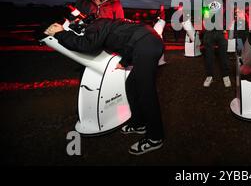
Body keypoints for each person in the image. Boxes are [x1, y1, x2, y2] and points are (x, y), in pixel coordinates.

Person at [44, 18, 164, 155]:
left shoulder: (95, 25)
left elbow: (87, 45)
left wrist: (60, 34)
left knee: (146, 94)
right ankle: (139, 123)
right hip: (147, 42)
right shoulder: (107, 23)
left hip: (146, 46)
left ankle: (155, 138)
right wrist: (125, 62)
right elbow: (131, 38)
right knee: (131, 86)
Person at [202, 0, 232, 88]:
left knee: (223, 55)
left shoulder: (225, 0)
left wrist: (226, 28)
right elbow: (204, 13)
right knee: (209, 55)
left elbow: (229, 14)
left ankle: (225, 76)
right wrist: (206, 14)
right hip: (209, 31)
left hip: (221, 31)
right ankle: (209, 76)